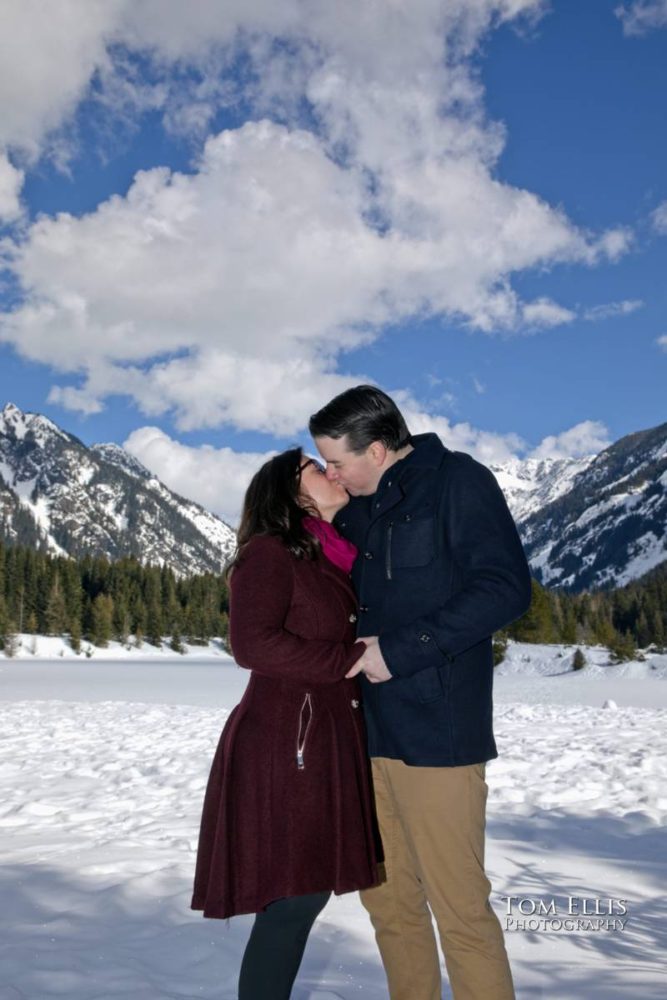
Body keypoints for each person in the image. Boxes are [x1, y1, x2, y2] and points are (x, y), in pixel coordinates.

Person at [309, 386, 532, 1000]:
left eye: (336, 461)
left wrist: (398, 651)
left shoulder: (459, 482)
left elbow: (505, 589)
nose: (330, 473)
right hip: (364, 736)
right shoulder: (355, 506)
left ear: (377, 450)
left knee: (461, 915)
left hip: (438, 738)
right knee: (390, 911)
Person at [191, 447, 381, 1000]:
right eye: (315, 469)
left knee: (300, 895)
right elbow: (251, 643)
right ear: (291, 493)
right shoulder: (269, 553)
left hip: (318, 739)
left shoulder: (328, 554)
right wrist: (347, 660)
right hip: (284, 740)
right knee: (294, 896)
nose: (330, 472)